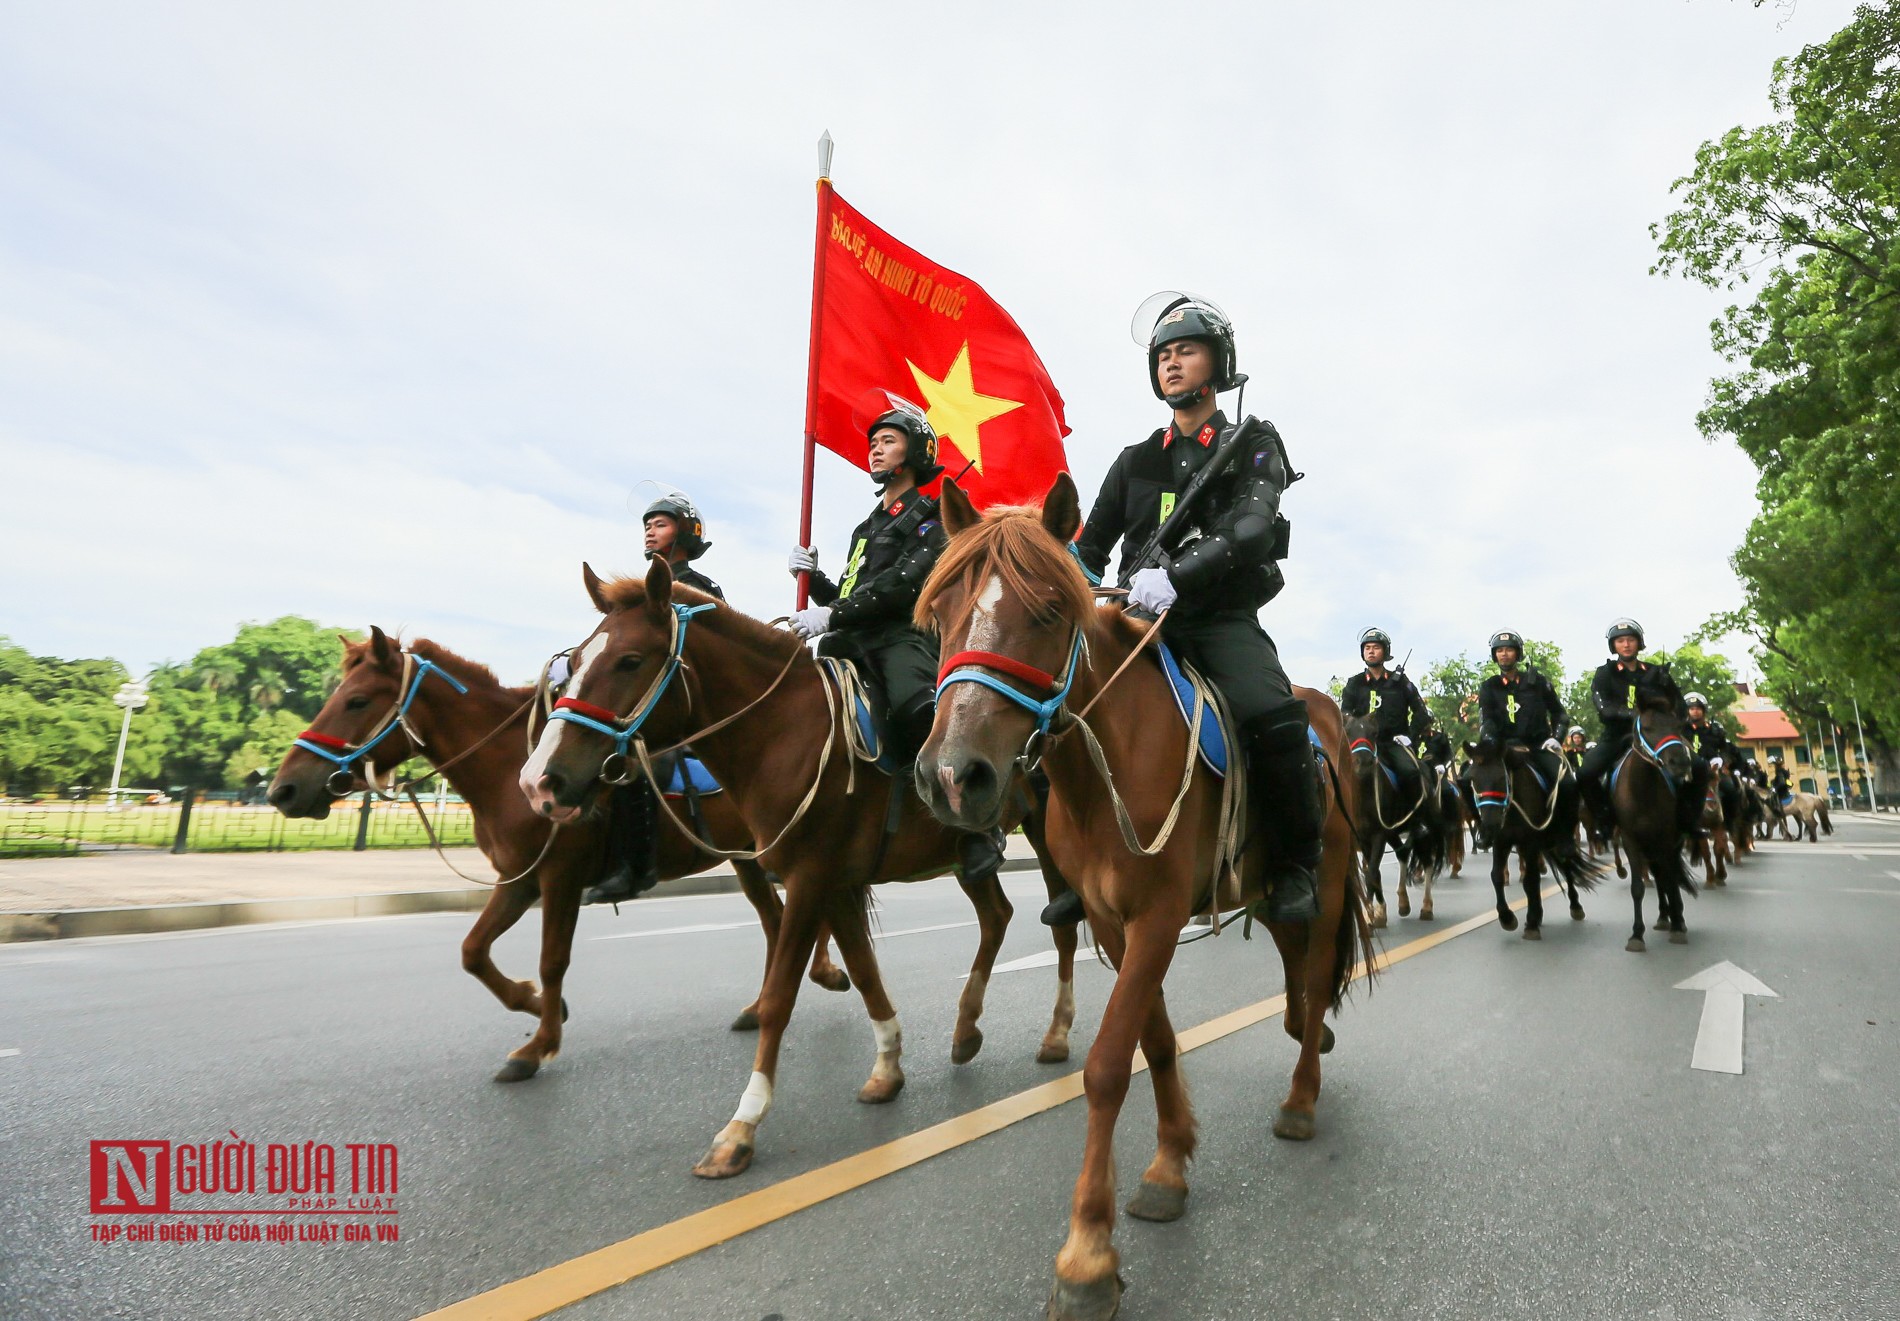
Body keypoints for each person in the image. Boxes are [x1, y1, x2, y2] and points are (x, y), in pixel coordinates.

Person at [1058, 292, 1320, 929]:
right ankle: (1068, 865)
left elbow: (1255, 527)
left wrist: (1176, 576)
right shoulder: (1134, 461)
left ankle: (1295, 864)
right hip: (1133, 623)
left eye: (1187, 350)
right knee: (1051, 707)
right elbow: (1090, 548)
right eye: (1164, 355)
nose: (1172, 363)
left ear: (1219, 362)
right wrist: (1072, 591)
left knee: (1276, 716)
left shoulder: (1253, 440)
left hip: (1217, 621)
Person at [784, 391, 1004, 889]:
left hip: (902, 640)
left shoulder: (934, 517)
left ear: (917, 452)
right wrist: (817, 581)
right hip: (852, 641)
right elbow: (853, 588)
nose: (876, 450)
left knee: (915, 711)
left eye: (889, 441)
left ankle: (976, 827)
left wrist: (832, 612)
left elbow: (905, 585)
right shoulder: (867, 525)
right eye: (874, 442)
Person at [582, 493, 728, 906]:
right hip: (646, 702)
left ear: (685, 532)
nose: (650, 529)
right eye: (648, 524)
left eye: (661, 523)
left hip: (686, 708)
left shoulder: (698, 588)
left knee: (637, 766)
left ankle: (637, 868)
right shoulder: (641, 594)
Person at [1575, 618, 1703, 839]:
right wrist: (1635, 714)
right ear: (1613, 646)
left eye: (1631, 640)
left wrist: (1670, 722)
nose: (1626, 645)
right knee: (1586, 772)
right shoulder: (1605, 673)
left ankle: (1688, 819)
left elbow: (1680, 706)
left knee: (1700, 767)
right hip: (1618, 736)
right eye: (1620, 641)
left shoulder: (1657, 673)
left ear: (1639, 643)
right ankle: (1604, 819)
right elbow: (1604, 709)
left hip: (1657, 735)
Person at [1340, 628, 1432, 810]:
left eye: (1375, 647)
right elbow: (1345, 715)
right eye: (1367, 648)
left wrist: (1409, 737)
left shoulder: (1401, 681)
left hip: (1393, 743)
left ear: (1385, 652)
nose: (1371, 651)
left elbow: (1421, 712)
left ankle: (1415, 820)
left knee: (1411, 772)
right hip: (1363, 743)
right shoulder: (1354, 683)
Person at [1475, 630, 1570, 793]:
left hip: (1538, 748)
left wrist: (1556, 739)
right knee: (1468, 779)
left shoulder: (1538, 682)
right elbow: (1487, 721)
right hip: (1504, 749)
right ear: (1494, 655)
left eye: (1509, 650)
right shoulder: (1488, 687)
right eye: (1499, 650)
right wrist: (1491, 743)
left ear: (1518, 653)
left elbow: (1559, 714)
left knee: (1568, 784)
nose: (1504, 654)